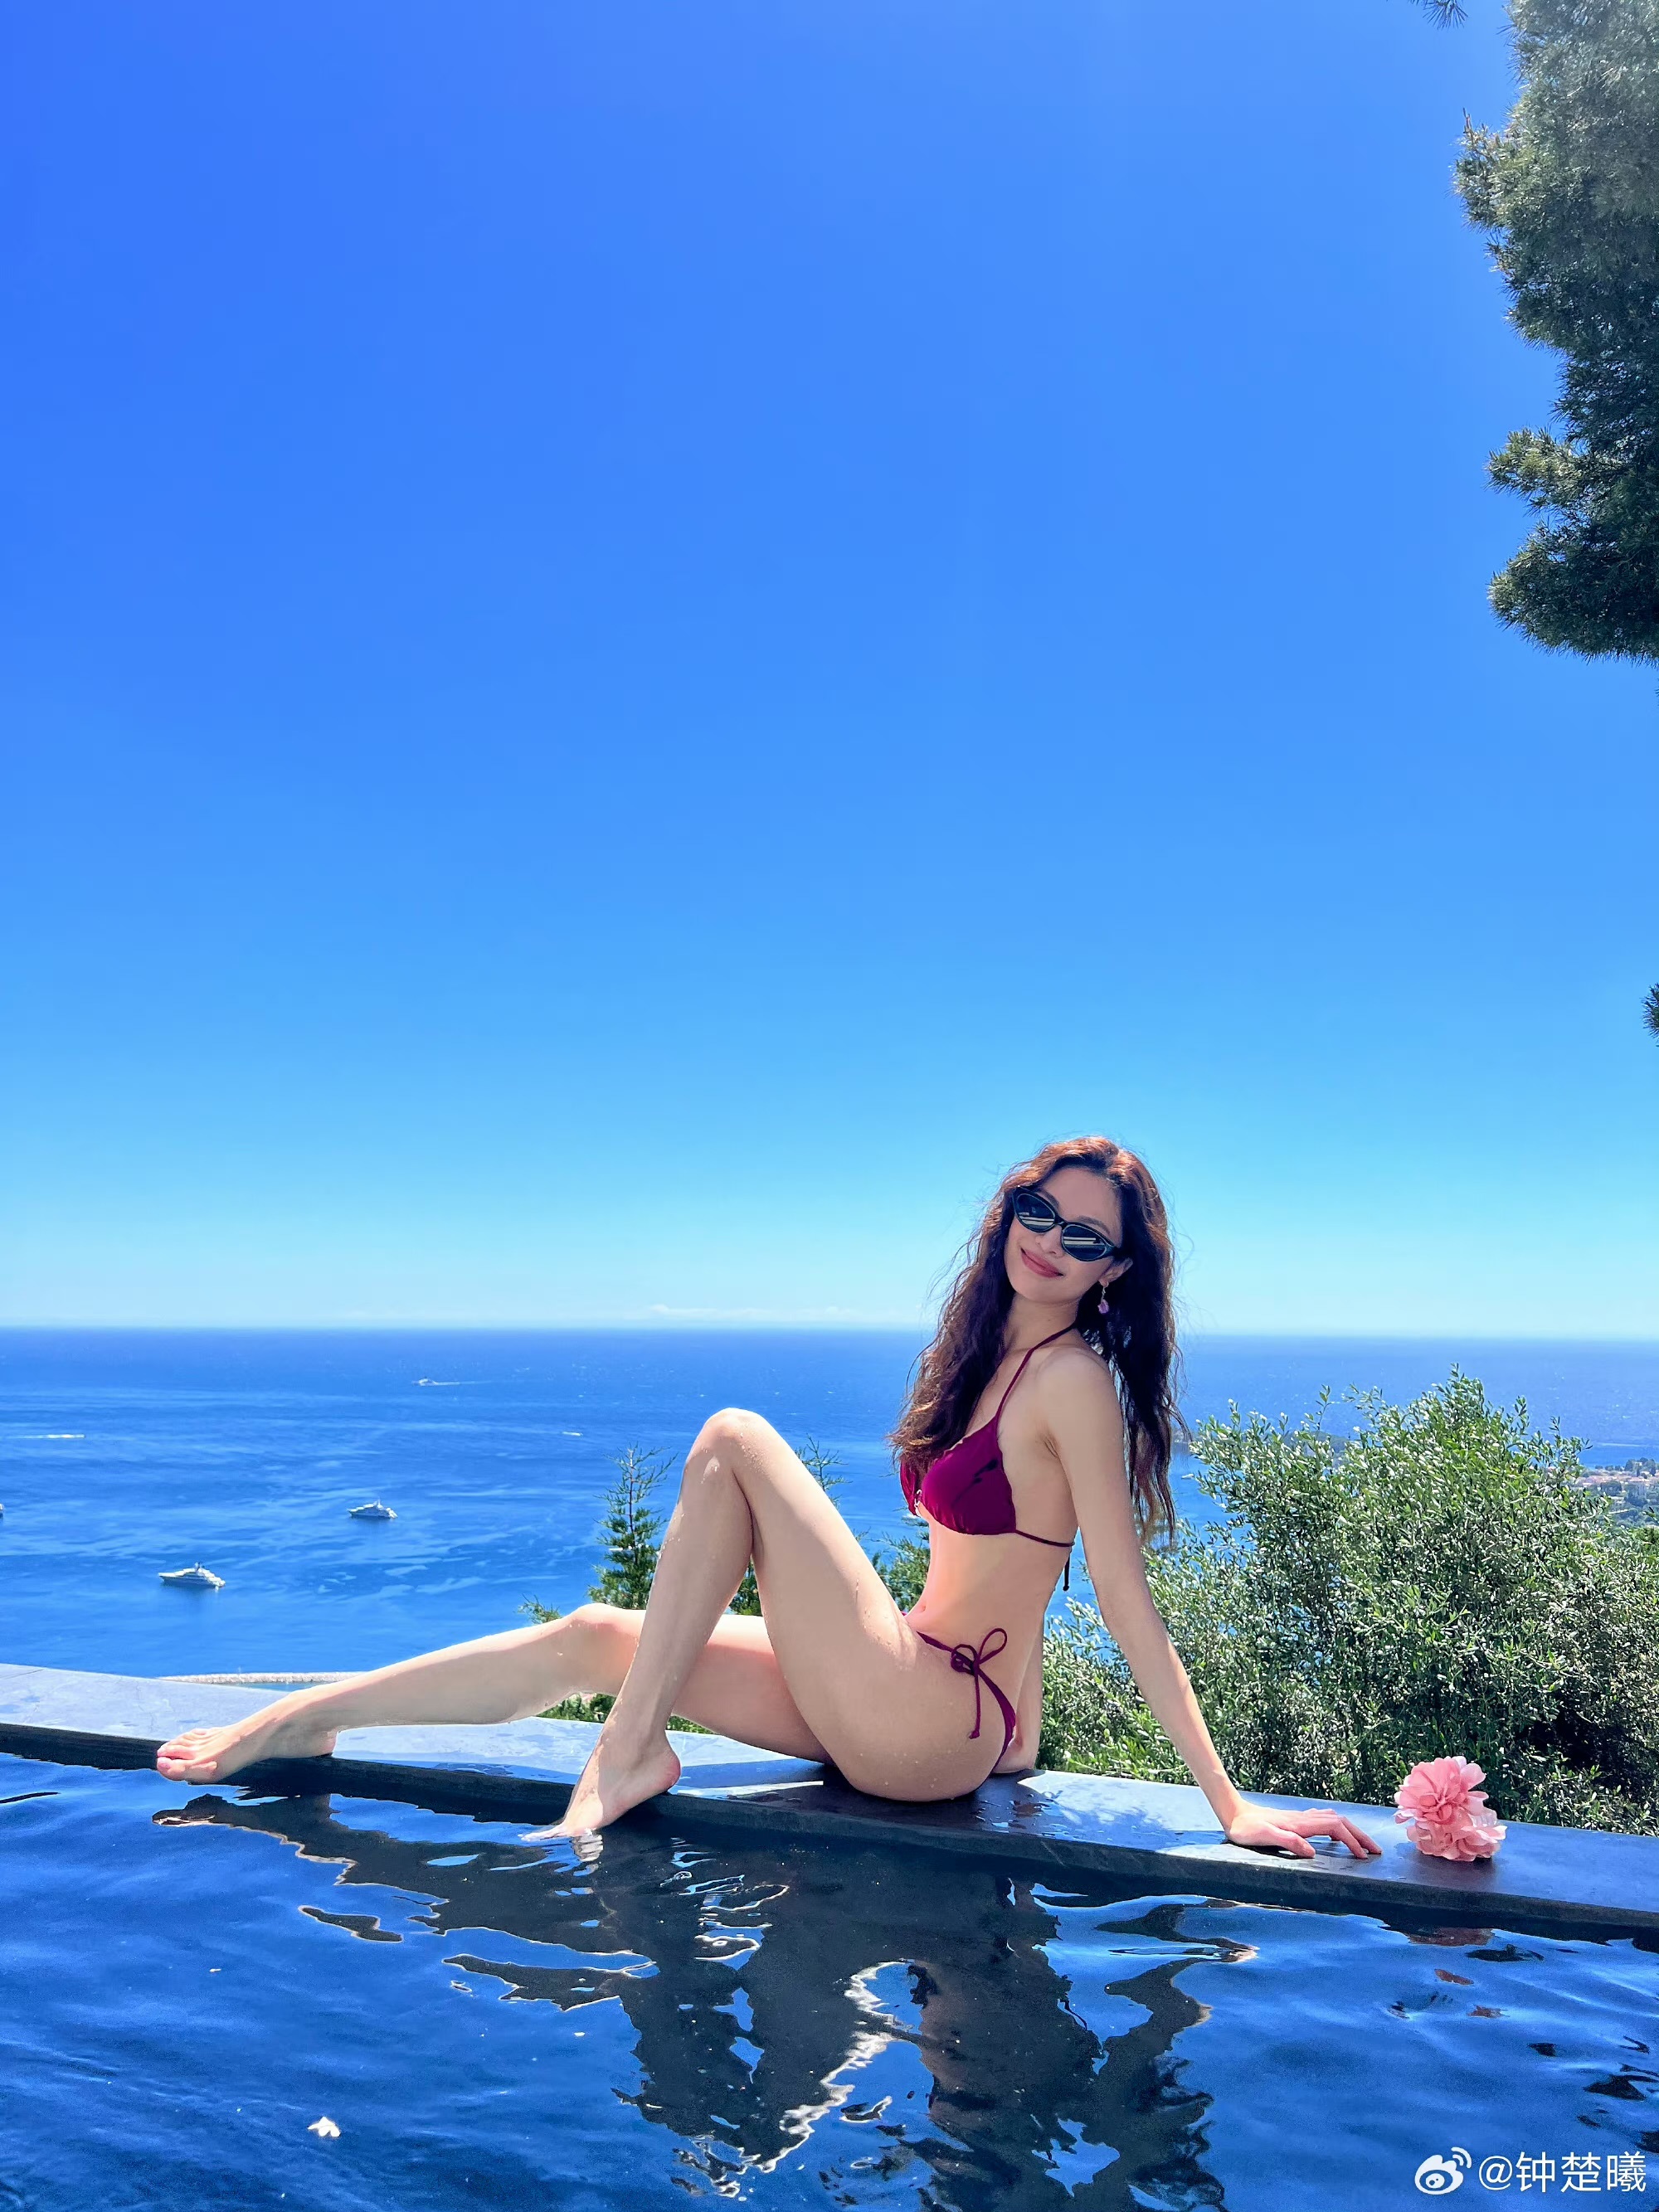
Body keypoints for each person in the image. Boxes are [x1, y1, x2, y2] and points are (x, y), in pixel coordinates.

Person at [155, 1135, 1382, 1861]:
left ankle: (630, 1752)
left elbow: (1123, 1599)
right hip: (920, 1690)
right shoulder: (975, 1359)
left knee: (734, 1438)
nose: (1052, 1242)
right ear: (1008, 1210)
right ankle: (311, 1718)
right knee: (598, 1633)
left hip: (938, 1720)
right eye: (1039, 1212)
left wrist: (1230, 1806)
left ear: (1116, 1273)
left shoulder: (1072, 1382)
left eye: (1087, 1239)